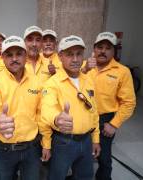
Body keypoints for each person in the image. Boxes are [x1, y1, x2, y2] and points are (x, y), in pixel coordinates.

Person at [0, 36, 48, 180]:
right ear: (2, 58)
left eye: (19, 53)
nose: (14, 59)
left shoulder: (37, 83)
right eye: (9, 55)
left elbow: (41, 114)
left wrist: (46, 143)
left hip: (32, 147)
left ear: (26, 56)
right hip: (4, 149)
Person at [41, 35, 101, 180]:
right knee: (57, 176)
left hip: (87, 141)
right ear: (60, 56)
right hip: (63, 142)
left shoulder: (88, 80)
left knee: (85, 176)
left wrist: (95, 139)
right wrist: (56, 119)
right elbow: (46, 111)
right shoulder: (52, 83)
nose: (75, 59)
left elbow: (93, 111)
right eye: (69, 54)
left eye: (78, 54)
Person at [86, 32, 136, 180]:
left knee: (103, 156)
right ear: (94, 49)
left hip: (104, 120)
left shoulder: (122, 72)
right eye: (99, 47)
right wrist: (84, 69)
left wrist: (114, 124)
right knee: (81, 152)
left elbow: (129, 103)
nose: (103, 51)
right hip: (83, 117)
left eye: (108, 48)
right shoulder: (84, 66)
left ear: (114, 51)